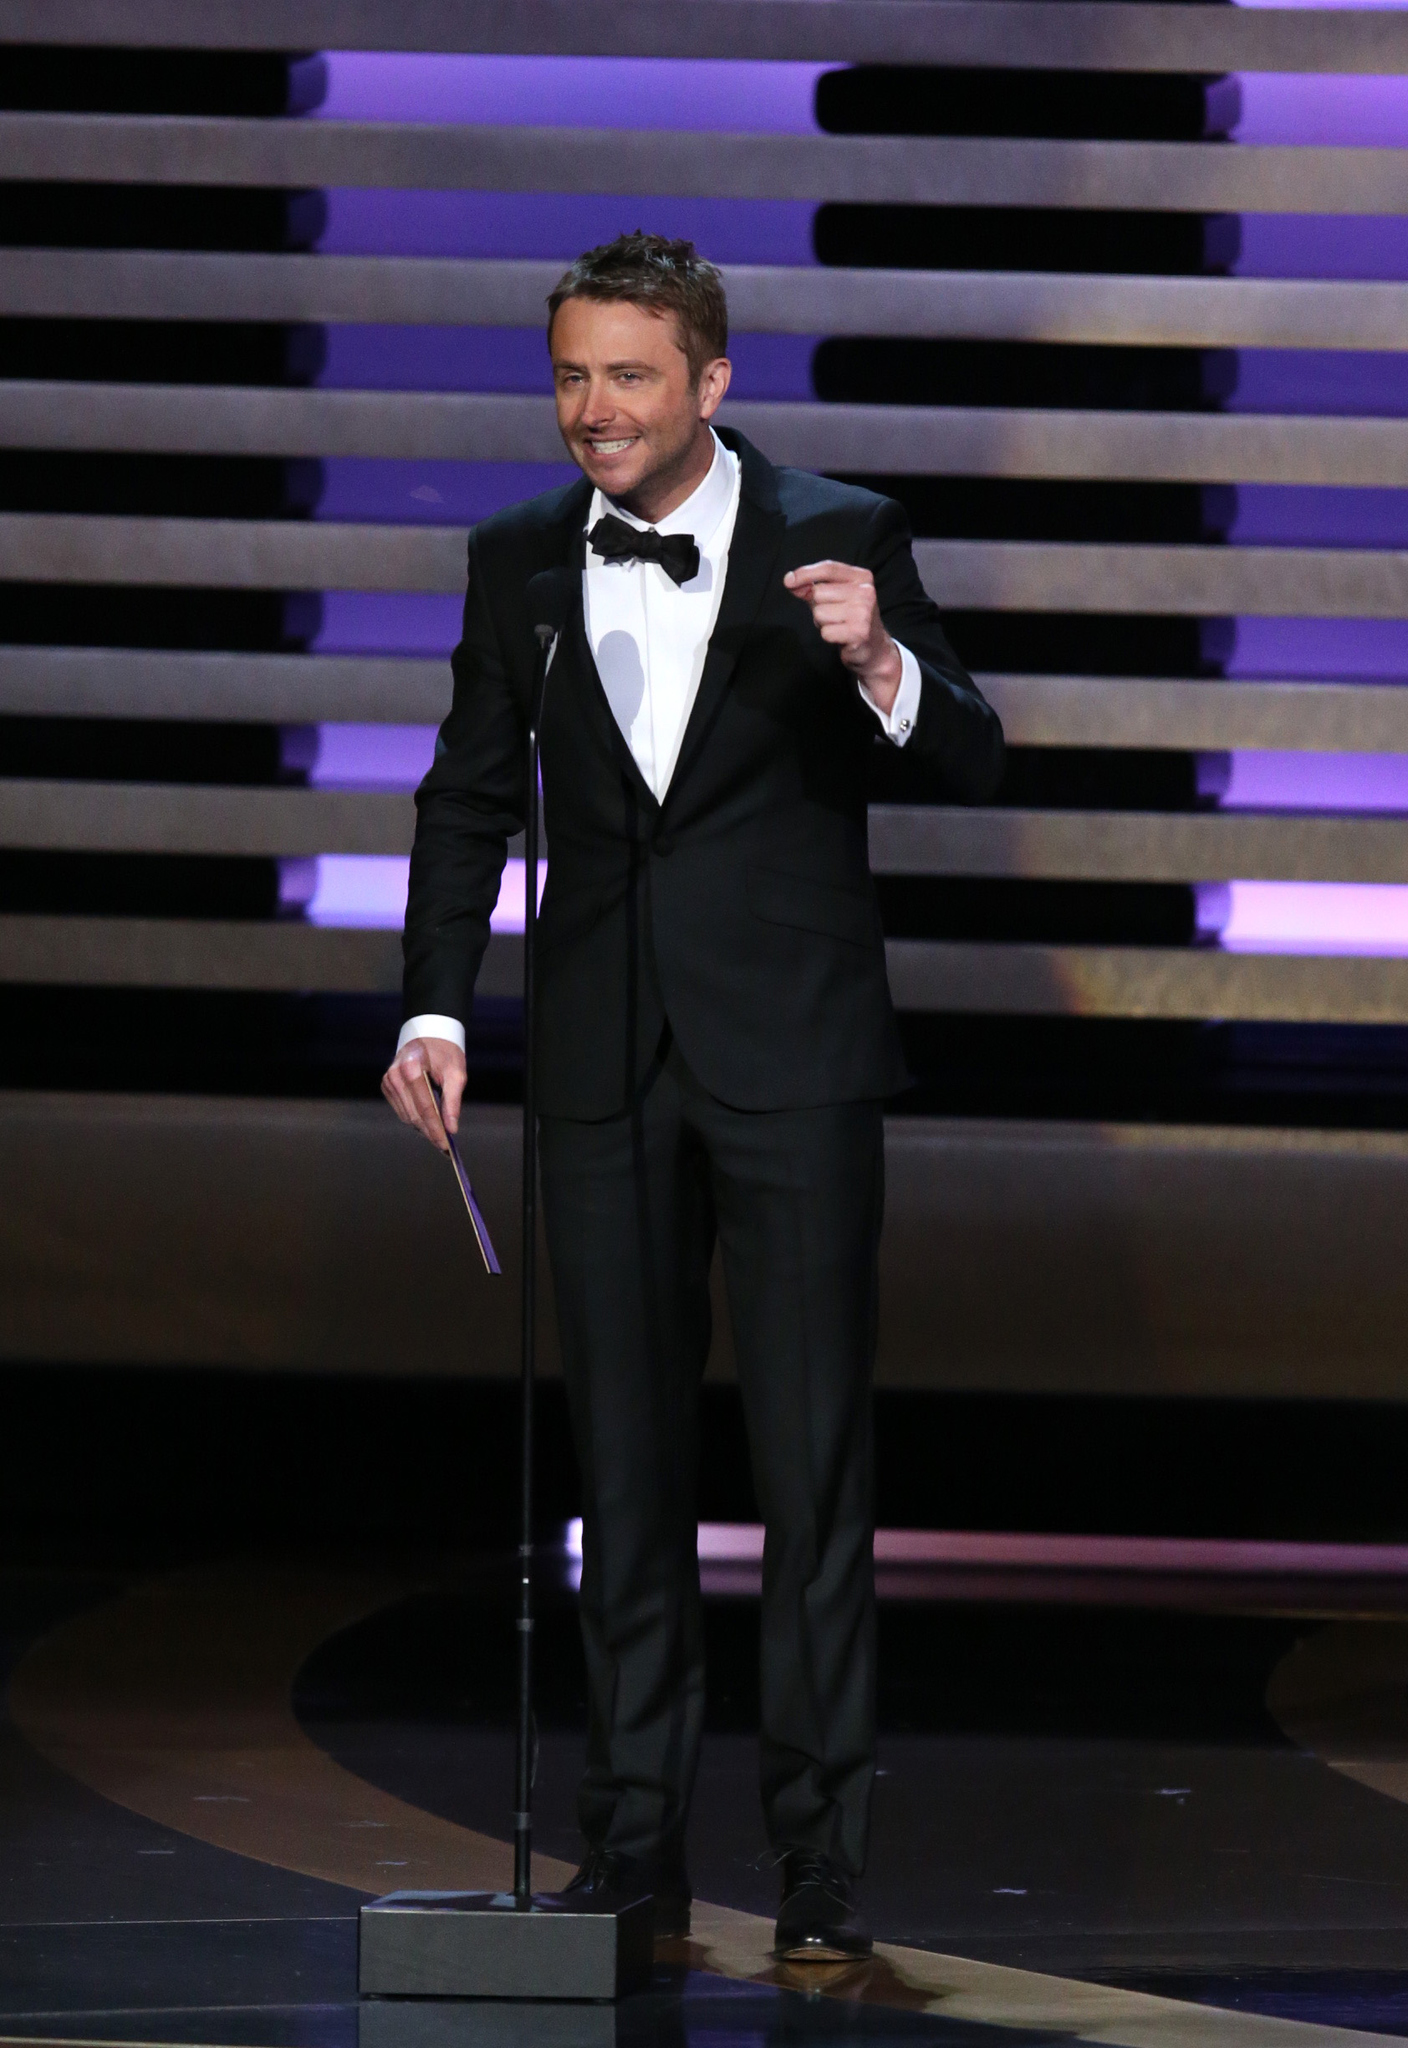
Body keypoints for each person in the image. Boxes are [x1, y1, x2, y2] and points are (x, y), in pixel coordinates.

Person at [382, 232, 1003, 1959]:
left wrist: (883, 663)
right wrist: (437, 1004)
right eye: (572, 375)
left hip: (794, 1060)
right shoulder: (517, 561)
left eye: (630, 376)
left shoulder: (841, 532)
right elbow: (464, 797)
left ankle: (819, 1858)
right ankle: (632, 1843)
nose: (594, 409)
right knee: (629, 1478)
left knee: (811, 1476)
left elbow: (971, 748)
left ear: (711, 383)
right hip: (599, 1065)